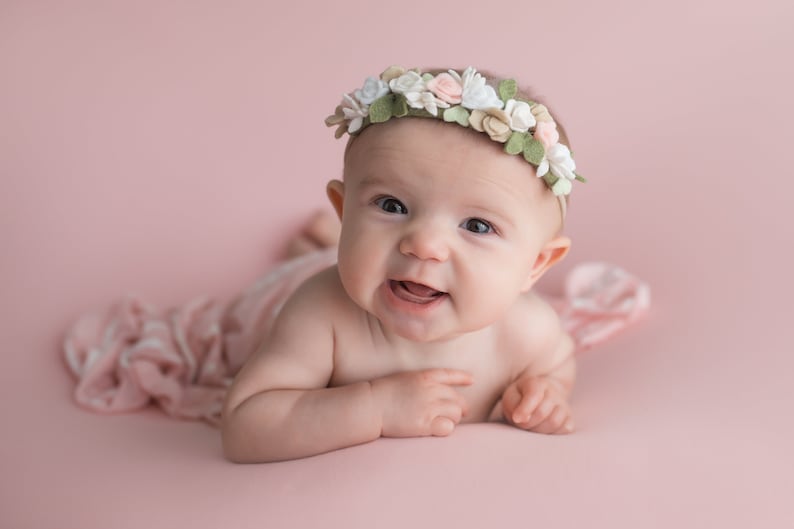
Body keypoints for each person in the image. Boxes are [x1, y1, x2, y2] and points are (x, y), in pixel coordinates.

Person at [221, 66, 586, 463]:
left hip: (375, 264)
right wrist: (374, 407)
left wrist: (544, 390)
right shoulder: (319, 314)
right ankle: (316, 251)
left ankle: (323, 243)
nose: (424, 245)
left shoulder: (529, 331)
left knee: (365, 256)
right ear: (346, 212)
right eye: (392, 205)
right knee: (311, 270)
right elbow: (245, 426)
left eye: (477, 226)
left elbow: (557, 364)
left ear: (536, 264)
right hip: (281, 295)